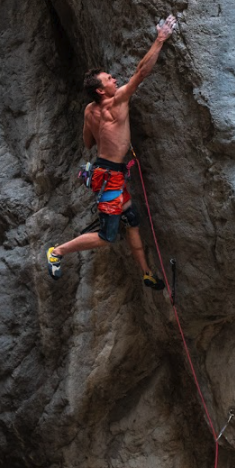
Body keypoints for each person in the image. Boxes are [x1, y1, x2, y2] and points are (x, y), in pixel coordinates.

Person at [46, 15, 177, 288]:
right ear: (100, 90)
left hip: (107, 172)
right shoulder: (117, 101)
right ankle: (56, 252)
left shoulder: (90, 111)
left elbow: (88, 143)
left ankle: (146, 273)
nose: (115, 79)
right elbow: (141, 72)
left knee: (131, 219)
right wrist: (160, 39)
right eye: (109, 78)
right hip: (110, 178)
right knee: (107, 236)